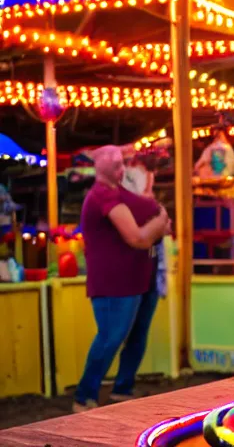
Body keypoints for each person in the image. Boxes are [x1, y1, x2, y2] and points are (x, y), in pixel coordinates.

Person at [73, 146, 170, 413]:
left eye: (123, 163)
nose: (123, 168)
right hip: (114, 282)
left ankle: (121, 389)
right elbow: (137, 237)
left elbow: (148, 209)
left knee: (135, 335)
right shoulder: (103, 195)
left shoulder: (119, 193)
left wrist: (157, 217)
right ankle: (84, 395)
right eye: (118, 164)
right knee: (110, 337)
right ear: (107, 168)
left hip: (137, 277)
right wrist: (159, 221)